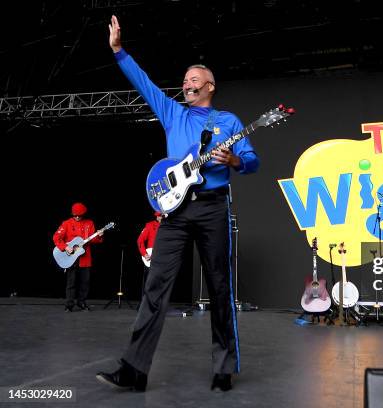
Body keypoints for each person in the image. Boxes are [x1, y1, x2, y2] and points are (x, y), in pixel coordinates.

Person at [97, 15, 259, 392]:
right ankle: (134, 370)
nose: (187, 83)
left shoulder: (229, 121)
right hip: (175, 211)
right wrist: (119, 50)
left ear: (210, 86)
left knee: (220, 288)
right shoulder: (173, 112)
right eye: (185, 80)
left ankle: (223, 368)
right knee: (155, 286)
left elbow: (253, 162)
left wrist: (235, 161)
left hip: (213, 208)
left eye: (194, 79)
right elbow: (143, 82)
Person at [53, 202, 103, 312]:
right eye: (75, 215)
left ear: (83, 214)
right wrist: (65, 247)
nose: (77, 217)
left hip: (85, 258)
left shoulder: (89, 223)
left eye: (79, 215)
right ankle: (69, 304)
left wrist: (98, 236)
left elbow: (92, 240)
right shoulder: (66, 223)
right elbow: (56, 237)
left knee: (85, 282)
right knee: (71, 283)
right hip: (71, 258)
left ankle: (82, 302)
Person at [136, 211, 162, 307]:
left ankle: (157, 304)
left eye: (162, 216)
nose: (160, 218)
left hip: (162, 258)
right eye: (159, 216)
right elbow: (140, 240)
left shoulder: (169, 227)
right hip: (150, 259)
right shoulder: (150, 225)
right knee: (148, 282)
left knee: (160, 283)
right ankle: (144, 304)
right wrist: (144, 253)